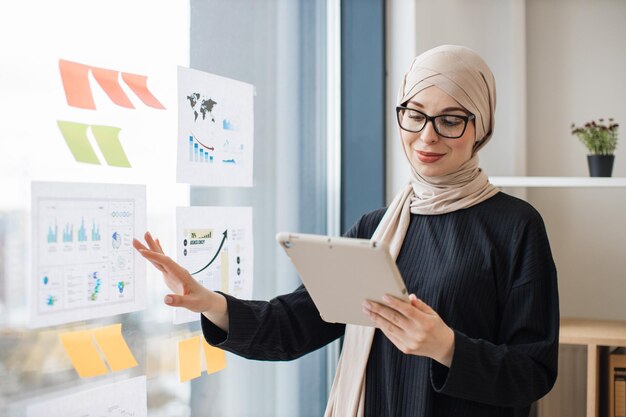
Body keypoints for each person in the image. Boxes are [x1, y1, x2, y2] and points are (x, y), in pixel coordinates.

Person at [133, 45, 559, 417]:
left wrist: (446, 346)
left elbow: (534, 372)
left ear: (480, 127)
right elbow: (295, 324)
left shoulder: (516, 226)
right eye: (415, 114)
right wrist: (211, 302)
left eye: (450, 120)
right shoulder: (376, 228)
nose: (427, 136)